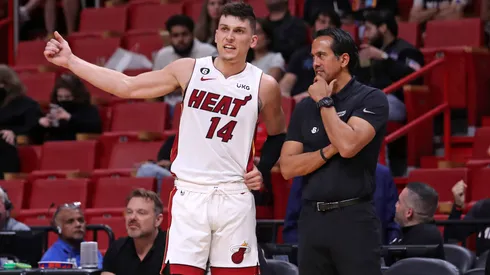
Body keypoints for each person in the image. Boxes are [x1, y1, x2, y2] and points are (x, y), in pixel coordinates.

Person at [43, 2, 287, 274]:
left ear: (253, 40)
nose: (230, 37)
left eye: (239, 31)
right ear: (215, 35)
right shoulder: (188, 70)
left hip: (234, 196)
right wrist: (71, 61)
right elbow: (127, 86)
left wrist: (262, 170)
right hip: (190, 194)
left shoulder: (265, 85)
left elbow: (278, 136)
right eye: (225, 29)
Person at [279, 28, 389, 275]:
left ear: (344, 59)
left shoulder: (371, 99)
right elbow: (287, 167)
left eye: (322, 55)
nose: (315, 62)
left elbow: (349, 146)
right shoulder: (304, 107)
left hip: (353, 218)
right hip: (311, 218)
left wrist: (324, 102)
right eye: (313, 56)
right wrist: (329, 150)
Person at [102, 189, 166, 275]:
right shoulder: (117, 248)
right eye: (129, 212)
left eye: (141, 212)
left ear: (157, 220)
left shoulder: (172, 249)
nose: (132, 217)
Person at [389, 182, 445, 263]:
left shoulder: (424, 239)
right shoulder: (409, 232)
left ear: (409, 212)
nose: (395, 205)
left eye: (399, 202)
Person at [41, 202, 104, 268]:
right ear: (58, 228)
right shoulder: (50, 259)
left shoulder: (92, 251)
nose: (78, 224)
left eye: (81, 220)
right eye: (70, 221)